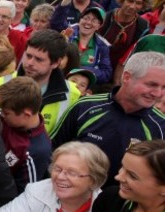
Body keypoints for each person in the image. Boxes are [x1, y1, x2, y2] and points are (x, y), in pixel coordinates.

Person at [51, 52, 165, 186]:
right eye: (152, 85)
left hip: (116, 204)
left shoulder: (160, 126)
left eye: (164, 87)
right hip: (66, 194)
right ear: (127, 77)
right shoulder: (85, 106)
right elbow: (52, 150)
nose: (158, 93)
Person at [0, 29, 81, 135]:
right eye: (28, 56)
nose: (30, 63)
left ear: (56, 63)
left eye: (39, 59)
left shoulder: (73, 95)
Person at [0, 77, 51, 193]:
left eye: (6, 112)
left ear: (26, 114)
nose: (1, 114)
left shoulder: (36, 151)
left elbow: (23, 195)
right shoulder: (7, 119)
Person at [64, 7, 113, 85]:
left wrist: (83, 70)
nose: (88, 22)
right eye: (86, 18)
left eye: (94, 21)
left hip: (84, 86)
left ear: (99, 26)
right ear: (80, 20)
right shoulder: (67, 34)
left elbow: (106, 74)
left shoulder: (102, 46)